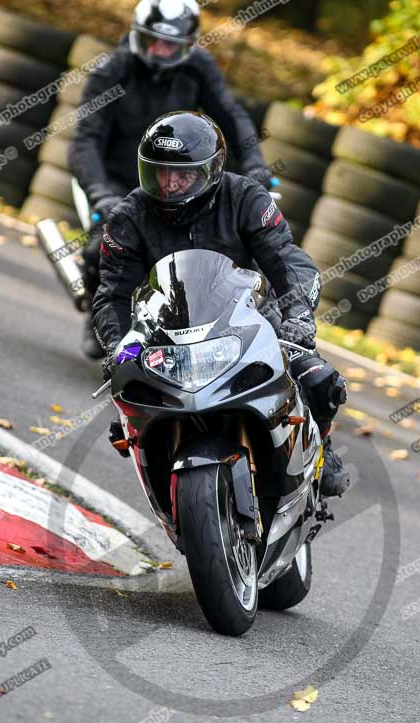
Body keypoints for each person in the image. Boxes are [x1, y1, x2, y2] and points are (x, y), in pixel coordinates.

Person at [93, 112, 350, 497]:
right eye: (160, 173)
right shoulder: (128, 217)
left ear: (209, 172)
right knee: (128, 408)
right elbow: (112, 294)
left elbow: (287, 260)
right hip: (166, 331)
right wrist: (118, 346)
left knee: (319, 379)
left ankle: (321, 451)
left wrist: (298, 315)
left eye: (183, 175)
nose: (169, 185)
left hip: (249, 318)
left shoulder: (244, 197)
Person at [69, 0, 270, 359]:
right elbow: (86, 140)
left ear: (188, 44)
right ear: (137, 35)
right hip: (117, 181)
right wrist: (100, 192)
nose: (161, 52)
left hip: (179, 184)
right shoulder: (111, 71)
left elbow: (232, 115)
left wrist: (255, 163)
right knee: (104, 245)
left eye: (171, 45)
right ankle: (98, 315)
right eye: (153, 42)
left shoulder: (199, 68)